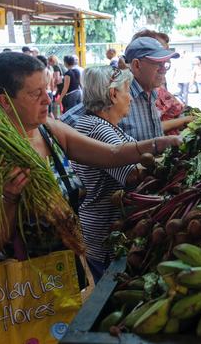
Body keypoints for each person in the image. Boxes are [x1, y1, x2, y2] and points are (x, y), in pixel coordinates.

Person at [0, 52, 182, 264]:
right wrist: (9, 197)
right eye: (35, 94)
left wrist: (157, 144)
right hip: (29, 285)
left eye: (46, 89)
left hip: (72, 269)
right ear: (5, 101)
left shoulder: (49, 131)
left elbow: (112, 154)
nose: (47, 99)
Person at [72, 66, 147, 282]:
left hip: (100, 226)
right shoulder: (98, 128)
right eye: (127, 91)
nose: (131, 98)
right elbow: (131, 174)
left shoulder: (102, 124)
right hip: (106, 231)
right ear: (113, 95)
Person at [61, 37, 189, 141]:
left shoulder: (152, 92)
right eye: (158, 64)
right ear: (137, 65)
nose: (163, 70)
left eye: (165, 64)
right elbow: (65, 123)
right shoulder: (116, 93)